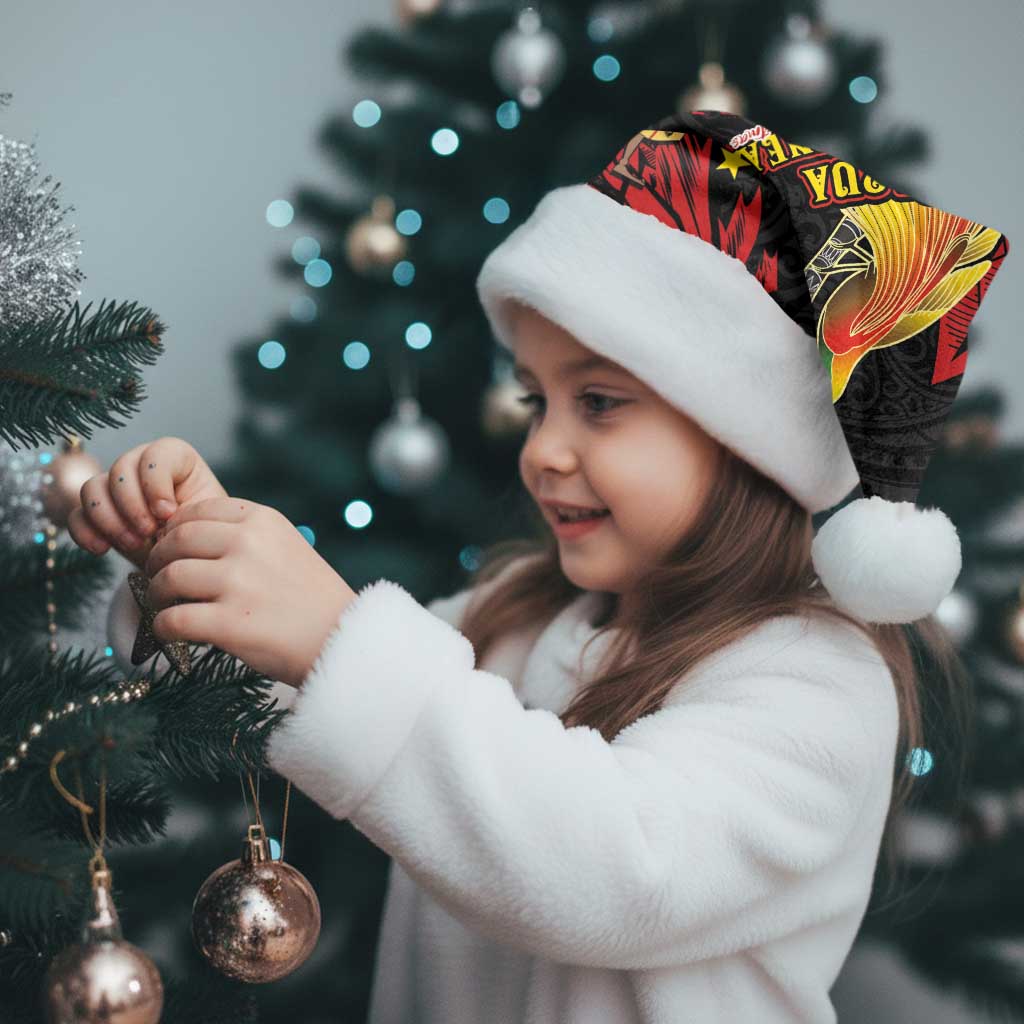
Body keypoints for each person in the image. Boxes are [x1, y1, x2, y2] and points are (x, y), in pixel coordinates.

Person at [75, 109, 1010, 1023]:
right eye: (536, 401)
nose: (542, 451)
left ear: (746, 439)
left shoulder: (818, 682)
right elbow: (305, 690)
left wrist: (334, 637)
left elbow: (615, 871)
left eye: (598, 402)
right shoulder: (516, 615)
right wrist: (194, 563)